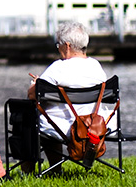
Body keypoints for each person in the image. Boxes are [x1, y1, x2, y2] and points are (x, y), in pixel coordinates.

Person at [25, 21, 113, 172]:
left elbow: (32, 95)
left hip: (64, 126)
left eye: (58, 44)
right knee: (49, 114)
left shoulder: (58, 68)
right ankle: (57, 168)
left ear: (67, 45)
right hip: (94, 125)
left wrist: (36, 83)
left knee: (29, 115)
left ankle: (36, 171)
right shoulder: (96, 67)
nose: (58, 48)